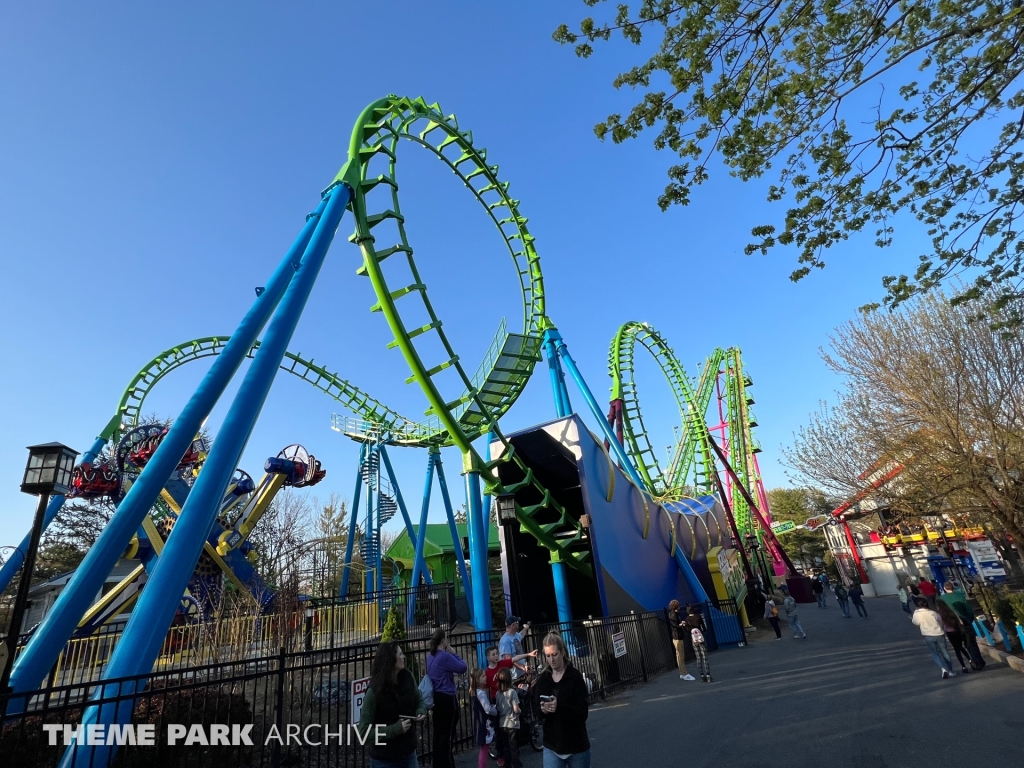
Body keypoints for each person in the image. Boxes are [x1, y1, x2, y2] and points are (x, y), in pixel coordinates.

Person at [357, 641, 427, 768]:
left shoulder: (408, 678)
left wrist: (421, 711)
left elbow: (419, 700)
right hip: (384, 759)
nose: (404, 657)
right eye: (400, 654)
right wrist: (394, 730)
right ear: (390, 660)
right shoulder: (374, 692)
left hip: (408, 754)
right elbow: (364, 732)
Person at [535, 631, 591, 768]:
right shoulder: (544, 679)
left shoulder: (575, 678)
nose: (551, 660)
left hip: (576, 746)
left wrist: (559, 706)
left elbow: (583, 713)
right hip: (552, 746)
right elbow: (537, 711)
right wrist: (543, 710)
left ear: (563, 653)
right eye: (548, 656)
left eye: (554, 655)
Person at [427, 628, 467, 768]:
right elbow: (462, 668)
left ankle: (439, 762)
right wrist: (455, 654)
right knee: (446, 734)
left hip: (436, 697)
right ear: (443, 640)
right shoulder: (444, 656)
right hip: (446, 697)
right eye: (447, 638)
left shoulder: (430, 656)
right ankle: (446, 763)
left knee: (438, 733)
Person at [939, 582, 986, 670]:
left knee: (959, 646)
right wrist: (969, 619)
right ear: (953, 588)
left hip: (952, 626)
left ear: (944, 589)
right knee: (971, 643)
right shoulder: (960, 596)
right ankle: (978, 661)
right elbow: (969, 610)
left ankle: (966, 664)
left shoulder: (942, 599)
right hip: (965, 623)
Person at [911, 598, 957, 678]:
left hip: (928, 635)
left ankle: (943, 668)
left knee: (935, 653)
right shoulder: (933, 612)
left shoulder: (917, 614)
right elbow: (940, 622)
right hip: (939, 633)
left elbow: (915, 623)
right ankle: (951, 671)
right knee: (944, 652)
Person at [470, 667, 497, 768]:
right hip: (483, 724)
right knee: (484, 749)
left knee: (484, 748)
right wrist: (495, 710)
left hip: (479, 722)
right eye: (483, 676)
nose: (486, 678)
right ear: (477, 679)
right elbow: (487, 709)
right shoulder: (481, 693)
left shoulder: (475, 692)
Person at [495, 667, 522, 768]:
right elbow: (516, 709)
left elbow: (497, 707)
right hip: (512, 723)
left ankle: (507, 765)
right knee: (514, 748)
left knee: (506, 748)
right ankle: (517, 765)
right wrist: (520, 711)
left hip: (502, 723)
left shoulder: (498, 693)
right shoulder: (512, 692)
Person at [935, 600, 971, 674]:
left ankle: (963, 666)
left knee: (957, 649)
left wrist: (942, 630)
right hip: (957, 631)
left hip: (949, 633)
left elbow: (941, 624)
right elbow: (959, 620)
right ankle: (970, 659)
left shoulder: (939, 614)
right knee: (961, 647)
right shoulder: (951, 610)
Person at [667, 599, 696, 680]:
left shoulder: (673, 614)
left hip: (677, 637)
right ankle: (684, 673)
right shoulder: (674, 615)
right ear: (676, 606)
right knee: (681, 656)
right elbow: (675, 626)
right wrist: (681, 624)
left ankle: (682, 672)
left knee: (679, 656)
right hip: (678, 637)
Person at [686, 605, 712, 682]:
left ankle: (702, 675)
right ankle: (708, 675)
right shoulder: (698, 617)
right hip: (701, 638)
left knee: (698, 657)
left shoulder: (687, 619)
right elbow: (703, 627)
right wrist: (703, 632)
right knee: (704, 657)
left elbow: (687, 630)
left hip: (694, 640)